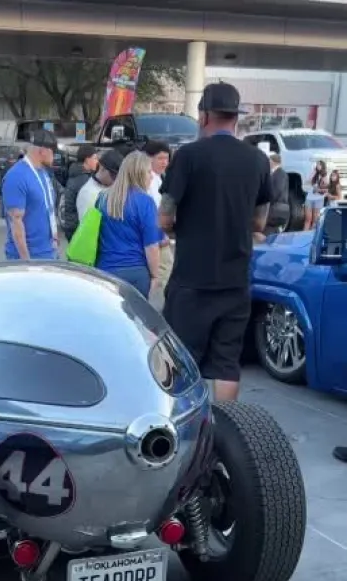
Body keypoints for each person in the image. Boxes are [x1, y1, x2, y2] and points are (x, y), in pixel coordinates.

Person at [160, 82, 272, 403]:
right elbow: (259, 222)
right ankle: (224, 433)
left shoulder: (189, 156)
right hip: (235, 279)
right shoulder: (257, 160)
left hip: (192, 280)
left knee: (181, 361)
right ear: (235, 118)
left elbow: (165, 218)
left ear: (205, 115)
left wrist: (183, 229)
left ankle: (185, 433)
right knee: (226, 365)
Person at [95, 150, 161, 298]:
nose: (152, 176)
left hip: (105, 270)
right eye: (148, 172)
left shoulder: (103, 198)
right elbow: (151, 246)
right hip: (136, 272)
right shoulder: (145, 202)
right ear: (138, 173)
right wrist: (155, 276)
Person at [1, 129, 59, 261]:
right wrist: (26, 262)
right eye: (53, 152)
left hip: (48, 251)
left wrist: (54, 237)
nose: (54, 156)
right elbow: (16, 221)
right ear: (43, 151)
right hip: (29, 256)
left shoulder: (43, 173)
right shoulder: (17, 176)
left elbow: (47, 208)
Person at [145, 139, 173, 307]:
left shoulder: (159, 179)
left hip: (160, 237)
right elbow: (153, 211)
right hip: (156, 239)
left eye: (166, 158)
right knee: (162, 277)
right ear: (149, 158)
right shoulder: (149, 180)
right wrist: (160, 234)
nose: (165, 162)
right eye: (160, 158)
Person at [63, 145, 99, 241]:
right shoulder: (83, 180)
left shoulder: (77, 173)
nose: (97, 161)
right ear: (87, 160)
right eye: (95, 158)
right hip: (77, 226)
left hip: (71, 224)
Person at [76, 149, 123, 222]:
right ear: (102, 168)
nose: (115, 180)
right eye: (113, 175)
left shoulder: (112, 187)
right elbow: (88, 227)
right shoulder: (88, 193)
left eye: (118, 177)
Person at [265, 153, 290, 236]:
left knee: (270, 231)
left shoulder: (280, 173)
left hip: (277, 208)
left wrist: (267, 200)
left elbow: (277, 190)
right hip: (276, 207)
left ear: (273, 161)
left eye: (269, 160)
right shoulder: (276, 173)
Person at [304, 160, 327, 230]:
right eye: (317, 164)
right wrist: (313, 172)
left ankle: (312, 236)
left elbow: (327, 188)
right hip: (309, 198)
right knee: (308, 218)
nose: (317, 166)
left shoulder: (325, 175)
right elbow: (307, 181)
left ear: (323, 166)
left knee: (315, 220)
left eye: (319, 164)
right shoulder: (314, 173)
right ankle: (304, 234)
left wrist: (318, 190)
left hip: (319, 199)